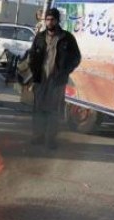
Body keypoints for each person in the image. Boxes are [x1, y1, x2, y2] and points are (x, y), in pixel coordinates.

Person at [29, 8, 81, 149]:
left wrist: (65, 71)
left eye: (52, 19)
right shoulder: (39, 37)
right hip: (41, 79)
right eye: (47, 19)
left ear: (57, 21)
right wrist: (33, 73)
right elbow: (32, 56)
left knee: (53, 110)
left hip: (57, 81)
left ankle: (50, 139)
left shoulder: (66, 38)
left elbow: (76, 57)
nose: (49, 22)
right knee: (38, 109)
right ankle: (38, 135)